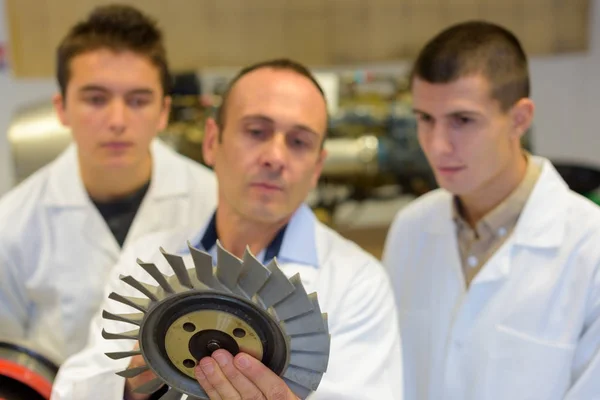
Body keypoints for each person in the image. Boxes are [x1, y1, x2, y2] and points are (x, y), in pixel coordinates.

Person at [50, 58, 404, 400]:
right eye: (256, 131)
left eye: (298, 142)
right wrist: (133, 383)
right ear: (211, 141)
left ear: (316, 167)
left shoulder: (356, 283)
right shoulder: (149, 256)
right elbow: (72, 388)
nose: (275, 157)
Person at [382, 20, 600, 400]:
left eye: (462, 121)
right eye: (425, 119)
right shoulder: (410, 228)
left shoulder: (590, 247)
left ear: (519, 119)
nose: (437, 146)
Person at [0, 4, 217, 366]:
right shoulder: (12, 224)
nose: (117, 120)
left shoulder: (215, 202)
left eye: (138, 100)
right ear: (62, 108)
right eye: (96, 99)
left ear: (163, 111)